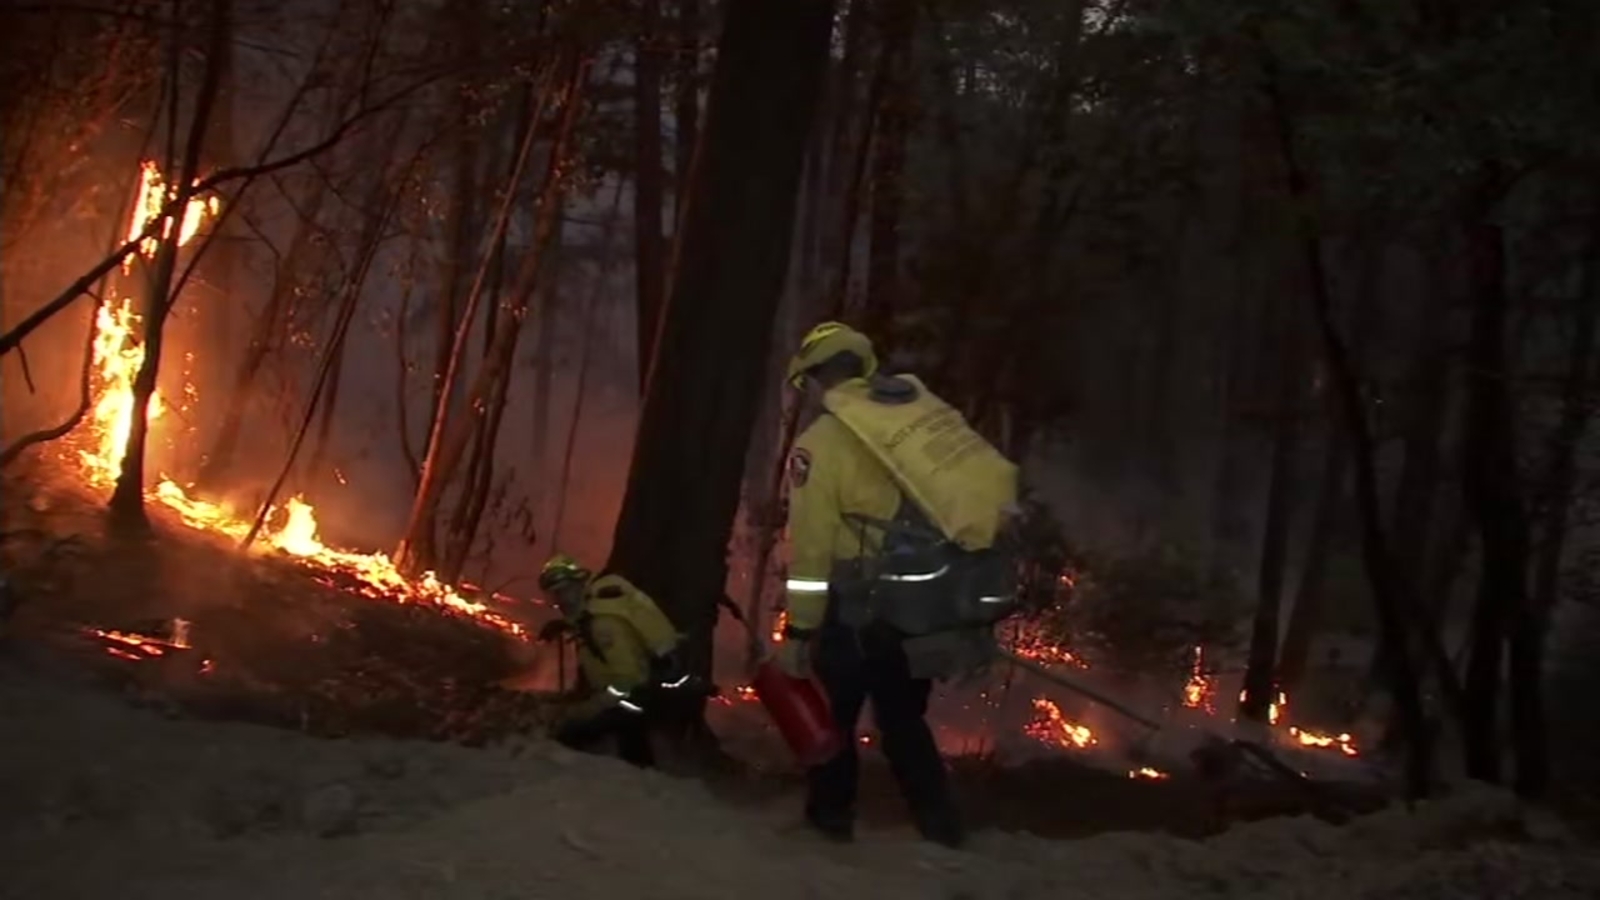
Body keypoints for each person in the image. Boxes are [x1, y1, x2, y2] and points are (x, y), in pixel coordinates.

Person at [774, 321, 1021, 849]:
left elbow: (813, 547)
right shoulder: (914, 430)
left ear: (816, 380)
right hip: (915, 603)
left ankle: (830, 825)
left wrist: (799, 631)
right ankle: (942, 829)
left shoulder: (821, 444)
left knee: (834, 718)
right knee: (904, 721)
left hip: (852, 610)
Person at [537, 554, 698, 769]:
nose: (561, 600)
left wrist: (592, 707)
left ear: (580, 584)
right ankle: (644, 777)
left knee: (572, 737)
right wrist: (565, 625)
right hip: (641, 694)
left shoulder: (603, 624)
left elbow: (629, 678)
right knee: (632, 745)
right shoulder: (595, 610)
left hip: (638, 695)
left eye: (565, 591)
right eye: (555, 594)